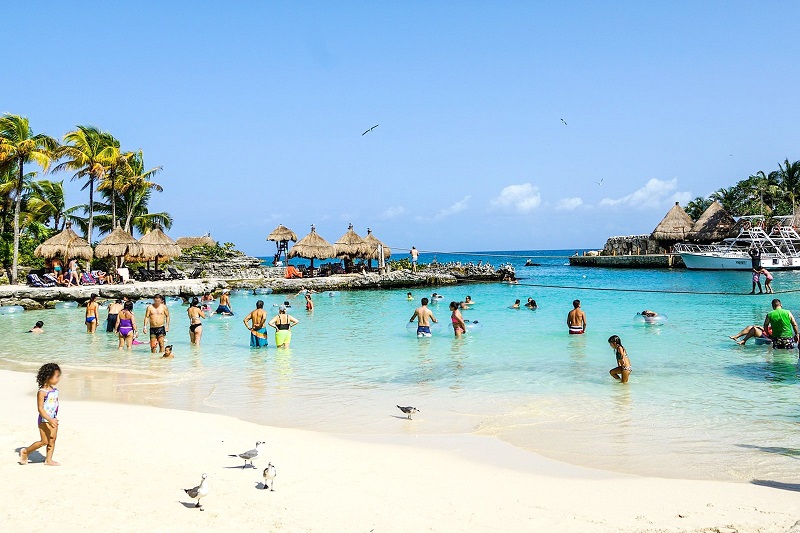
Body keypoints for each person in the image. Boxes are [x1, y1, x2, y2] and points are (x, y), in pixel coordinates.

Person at [19, 362, 61, 466]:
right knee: (44, 441)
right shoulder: (42, 392)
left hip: (53, 418)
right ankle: (25, 452)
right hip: (44, 420)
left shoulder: (55, 390)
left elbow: (55, 405)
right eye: (57, 376)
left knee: (52, 439)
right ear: (48, 377)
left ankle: (49, 460)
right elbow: (40, 409)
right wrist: (50, 419)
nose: (58, 379)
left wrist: (54, 418)